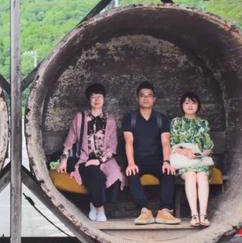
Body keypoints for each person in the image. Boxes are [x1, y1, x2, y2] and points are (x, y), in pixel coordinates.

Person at [59, 83, 124, 222]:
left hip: (105, 160)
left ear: (104, 99)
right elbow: (69, 141)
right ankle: (100, 208)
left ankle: (94, 202)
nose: (96, 100)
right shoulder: (80, 118)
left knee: (116, 178)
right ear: (89, 100)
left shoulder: (111, 121)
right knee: (96, 176)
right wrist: (63, 160)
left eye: (99, 97)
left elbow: (113, 148)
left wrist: (99, 160)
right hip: (85, 159)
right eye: (93, 97)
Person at [122, 81, 181, 225]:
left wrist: (166, 162)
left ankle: (164, 211)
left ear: (154, 99)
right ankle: (145, 210)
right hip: (137, 160)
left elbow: (165, 142)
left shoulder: (161, 119)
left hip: (157, 160)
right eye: (142, 96)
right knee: (131, 173)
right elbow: (128, 141)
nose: (146, 98)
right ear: (137, 99)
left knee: (168, 172)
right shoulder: (130, 118)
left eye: (149, 96)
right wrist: (131, 163)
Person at [170, 92, 214, 227]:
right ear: (182, 105)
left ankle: (203, 215)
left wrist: (207, 151)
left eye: (193, 103)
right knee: (190, 176)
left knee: (201, 176)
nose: (190, 106)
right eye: (187, 103)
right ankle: (194, 215)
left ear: (198, 105)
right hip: (183, 160)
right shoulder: (176, 122)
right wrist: (186, 152)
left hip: (199, 160)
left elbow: (208, 145)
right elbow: (172, 145)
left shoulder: (203, 123)